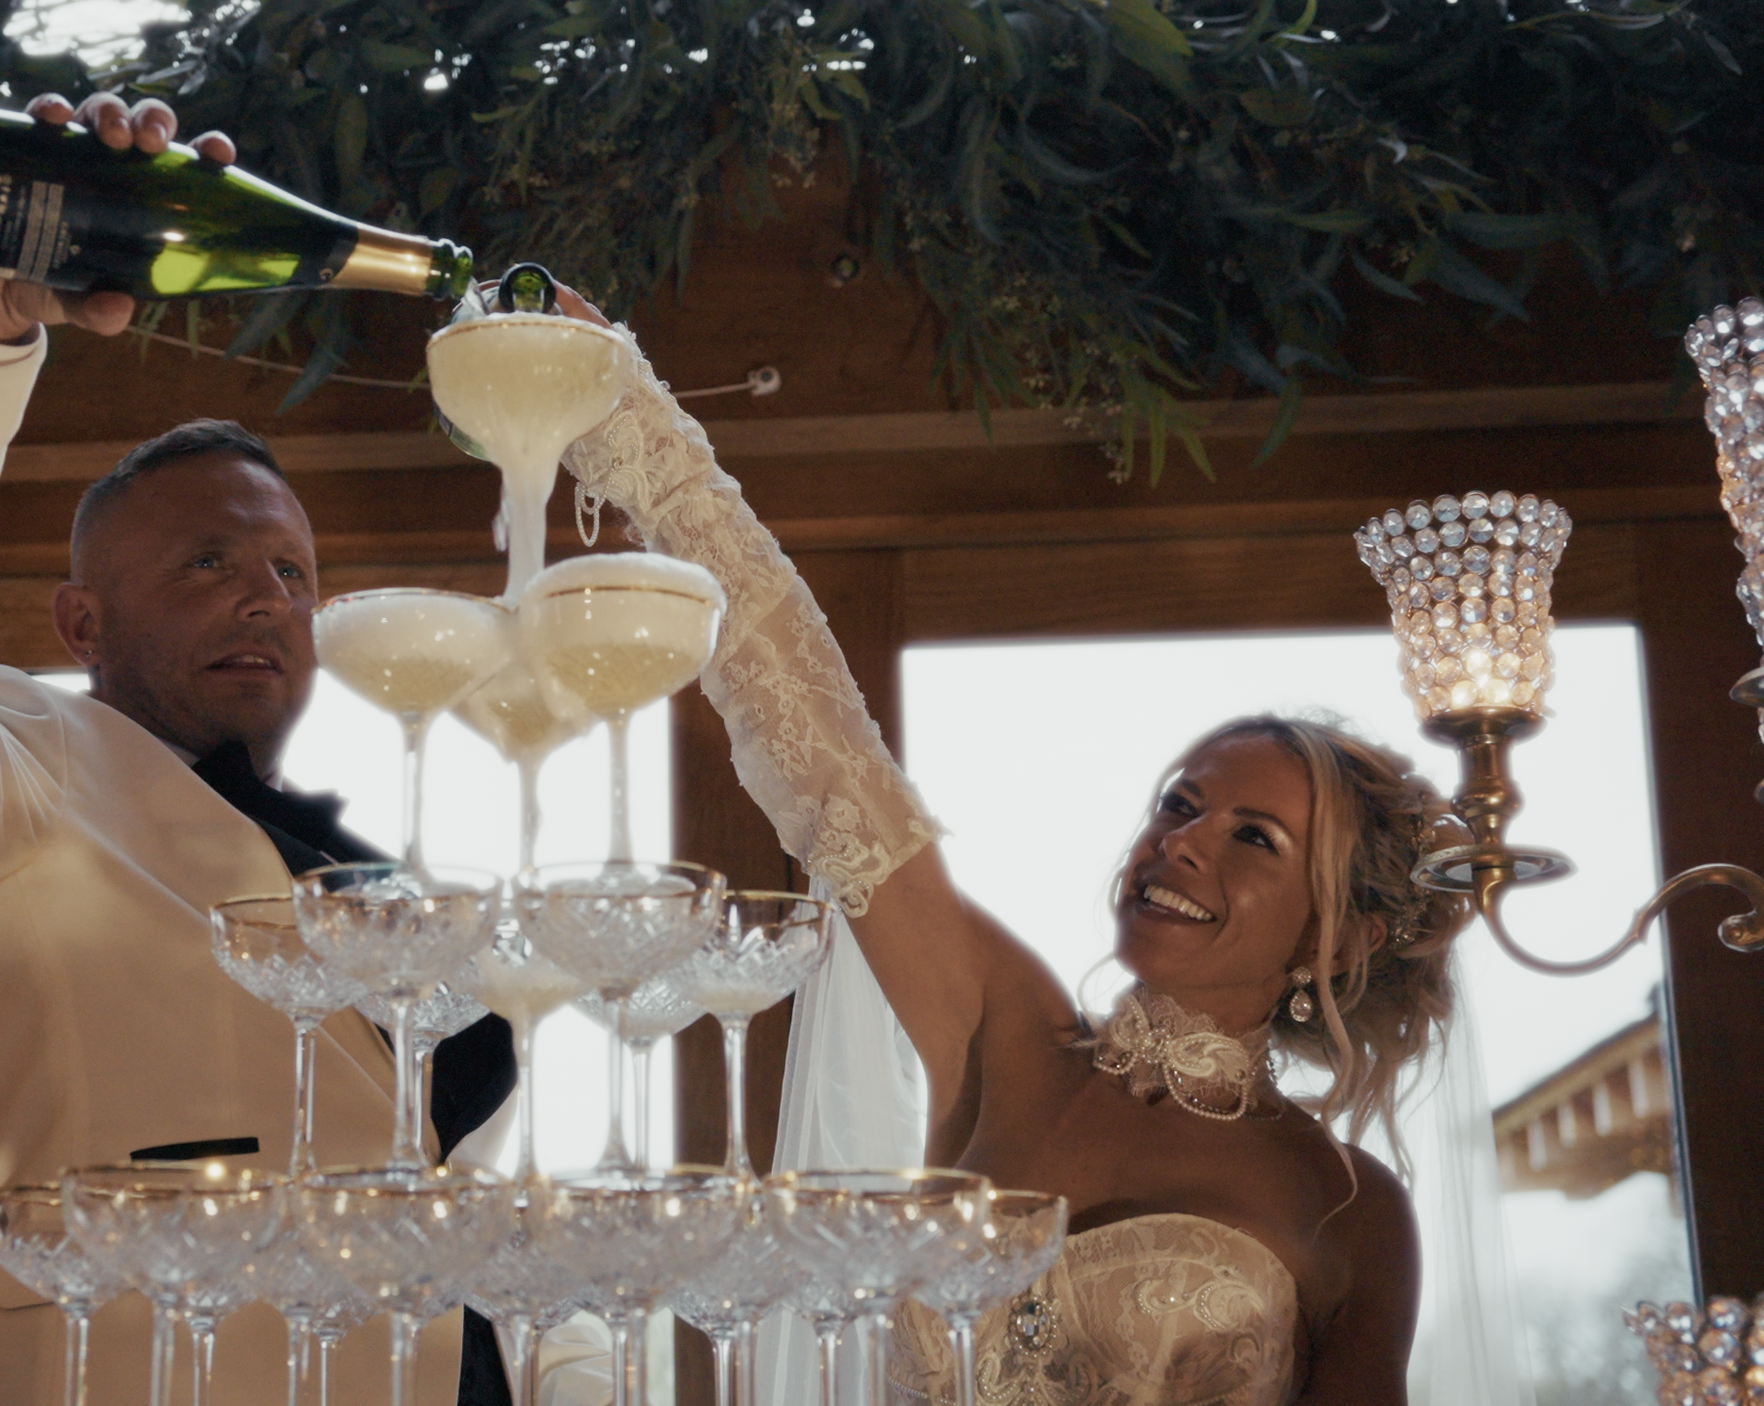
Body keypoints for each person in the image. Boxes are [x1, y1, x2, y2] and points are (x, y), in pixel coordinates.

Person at [0, 91, 577, 1406]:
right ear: (82, 618)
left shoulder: (381, 891)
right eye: (210, 559)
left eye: (294, 571)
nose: (267, 600)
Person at [554, 293, 1472, 1404]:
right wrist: (619, 406)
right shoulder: (1007, 1031)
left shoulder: (1349, 1209)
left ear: (1339, 933)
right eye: (1179, 801)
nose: (1181, 844)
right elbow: (827, 758)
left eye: (1253, 838)